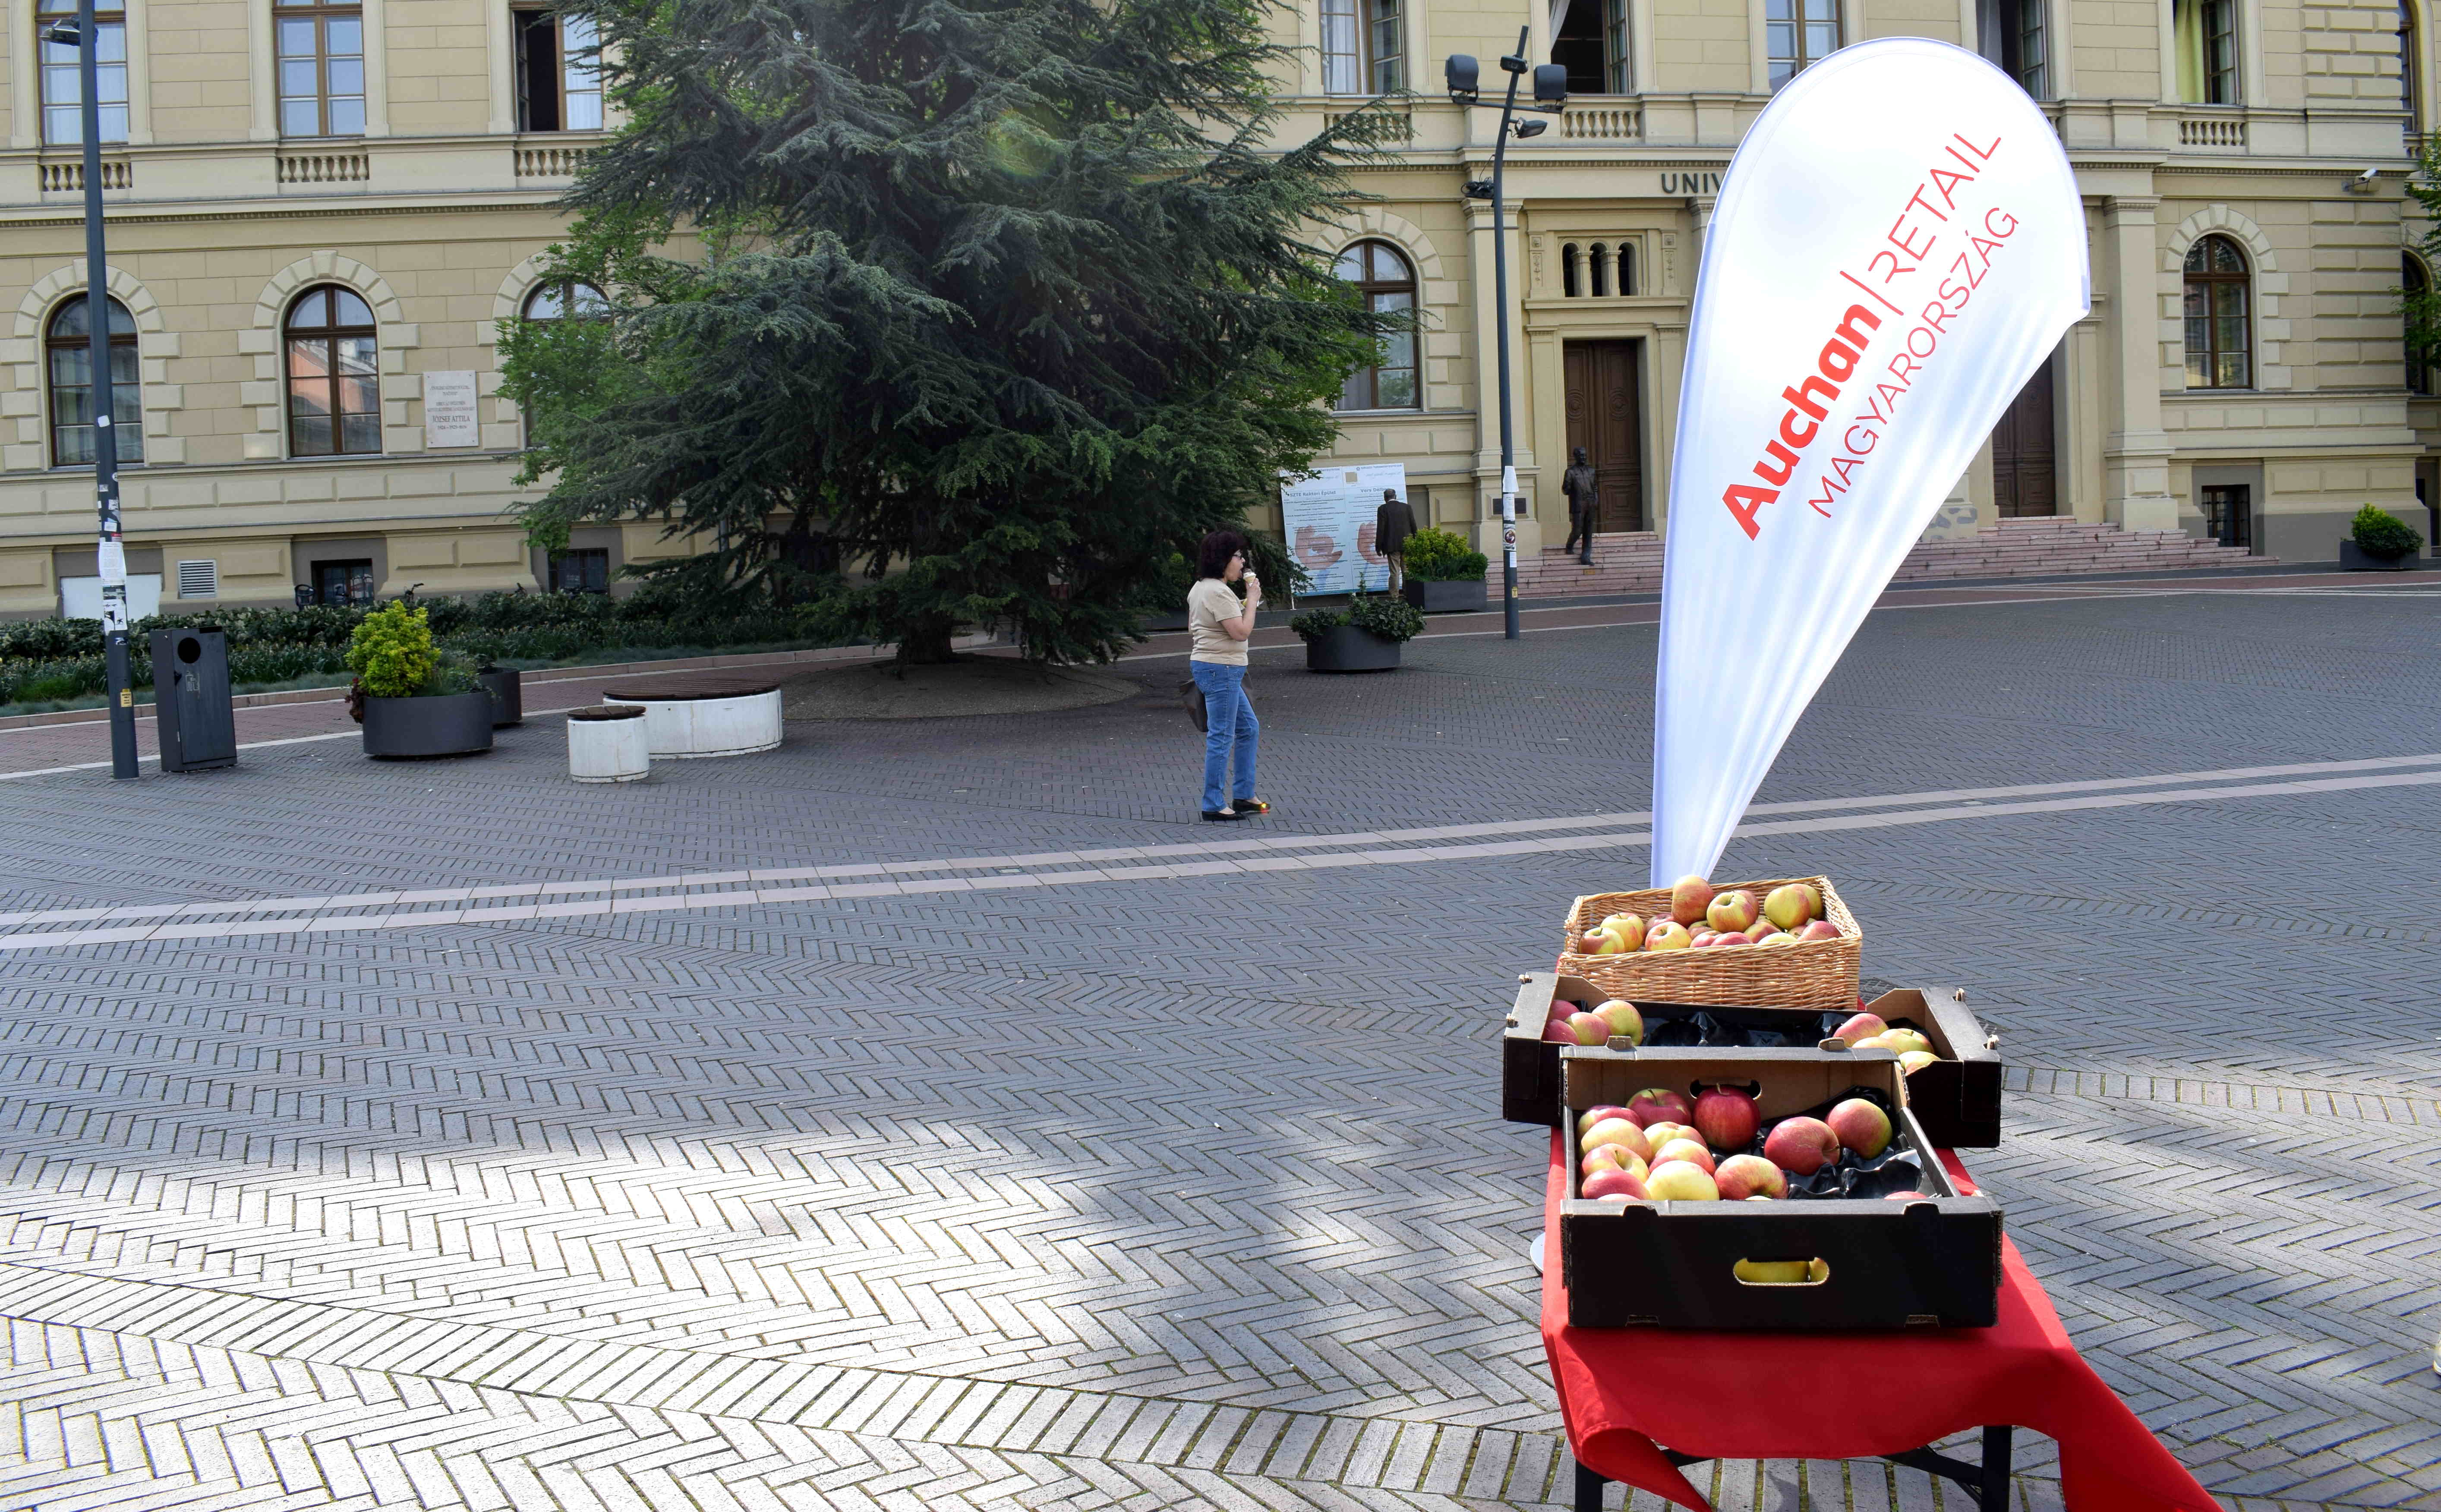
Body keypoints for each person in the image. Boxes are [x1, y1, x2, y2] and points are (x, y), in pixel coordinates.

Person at [1186, 530, 1269, 822]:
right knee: (1222, 735)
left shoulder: (1201, 588)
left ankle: (1244, 795)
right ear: (1223, 559)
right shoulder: (1218, 591)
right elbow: (1241, 632)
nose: (1242, 561)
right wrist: (1253, 597)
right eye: (1238, 555)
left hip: (1217, 667)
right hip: (1221, 668)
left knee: (1248, 728)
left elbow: (1198, 627)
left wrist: (1245, 606)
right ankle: (1213, 803)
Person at [1561, 447, 1599, 564]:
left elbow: (1595, 487)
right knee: (1577, 531)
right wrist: (1570, 488)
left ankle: (1586, 556)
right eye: (1581, 456)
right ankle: (1569, 545)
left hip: (1591, 503)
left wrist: (1596, 499)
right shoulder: (1571, 472)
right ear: (1576, 457)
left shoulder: (1592, 471)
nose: (1583, 458)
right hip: (1578, 504)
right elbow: (1565, 490)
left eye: (1584, 455)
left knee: (1588, 531)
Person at [1376, 488, 1417, 594]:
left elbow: (1381, 529)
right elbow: (1414, 526)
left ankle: (1394, 599)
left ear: (1385, 498)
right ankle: (1409, 595)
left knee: (1395, 573)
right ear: (1396, 496)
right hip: (1408, 545)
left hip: (1392, 546)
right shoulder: (1407, 507)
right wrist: (1416, 543)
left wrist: (1378, 547)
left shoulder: (1383, 509)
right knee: (1407, 571)